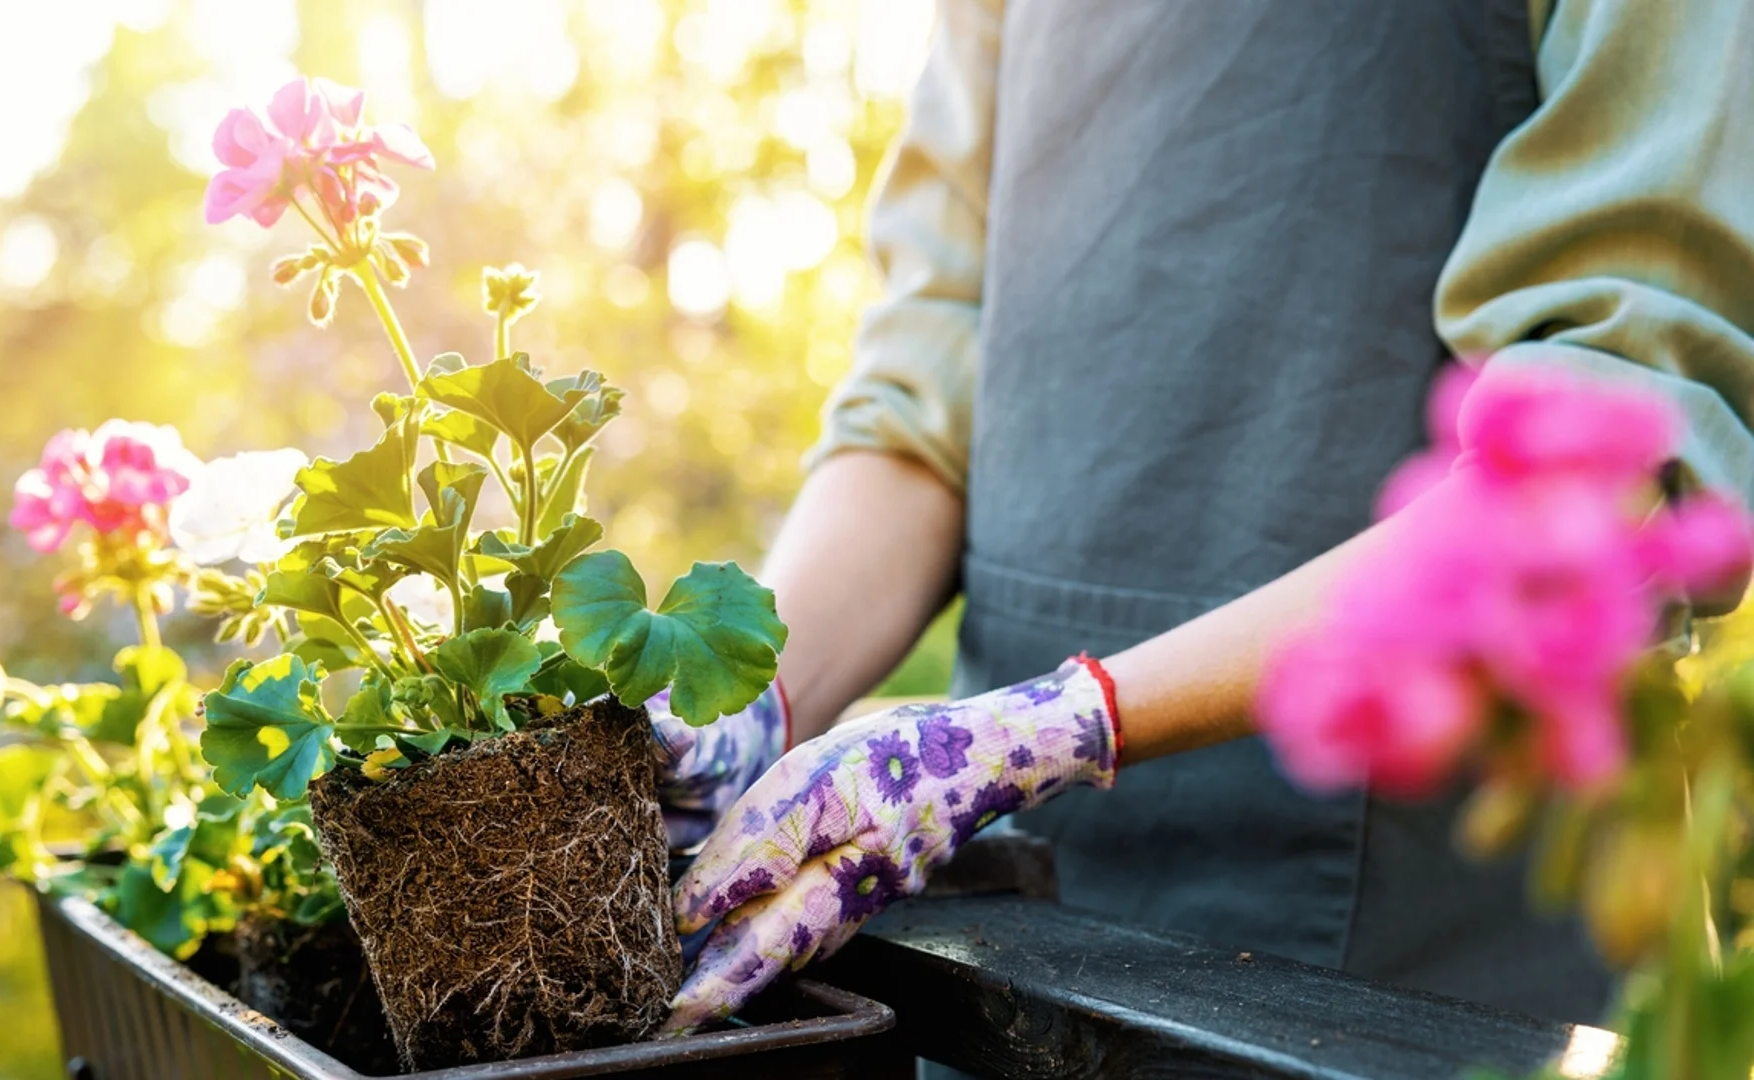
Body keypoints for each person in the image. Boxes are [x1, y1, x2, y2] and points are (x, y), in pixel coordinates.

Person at [652, 0, 1754, 1036]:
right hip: (1002, 907)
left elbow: (1604, 466)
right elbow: (921, 409)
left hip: (1409, 946)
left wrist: (1047, 730)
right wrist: (751, 703)